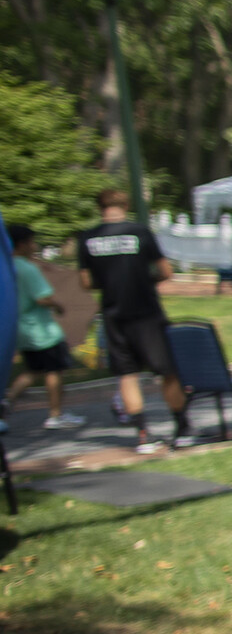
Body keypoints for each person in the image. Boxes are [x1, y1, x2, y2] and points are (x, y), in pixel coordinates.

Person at [76, 188, 189, 452]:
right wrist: (146, 280)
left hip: (114, 313)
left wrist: (107, 282)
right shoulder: (139, 232)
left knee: (127, 375)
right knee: (167, 371)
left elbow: (85, 282)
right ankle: (182, 427)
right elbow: (165, 271)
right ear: (125, 204)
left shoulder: (87, 238)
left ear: (99, 207)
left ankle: (142, 435)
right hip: (146, 311)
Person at [8, 224, 85, 429]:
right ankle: (55, 414)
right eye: (32, 242)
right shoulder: (27, 268)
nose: (34, 246)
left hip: (22, 329)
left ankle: (6, 402)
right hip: (43, 330)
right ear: (23, 244)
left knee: (33, 371)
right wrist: (58, 306)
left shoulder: (7, 266)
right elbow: (42, 298)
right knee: (54, 370)